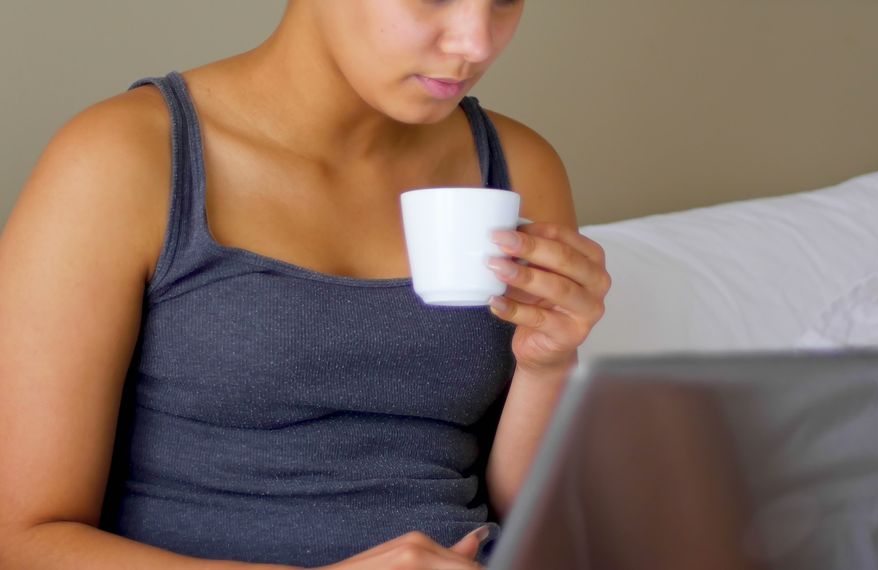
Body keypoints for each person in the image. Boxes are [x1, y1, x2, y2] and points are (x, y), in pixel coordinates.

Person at [0, 1, 610, 568]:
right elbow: (22, 539)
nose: (476, 41)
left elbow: (534, 520)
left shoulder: (517, 167)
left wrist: (547, 366)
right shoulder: (122, 157)